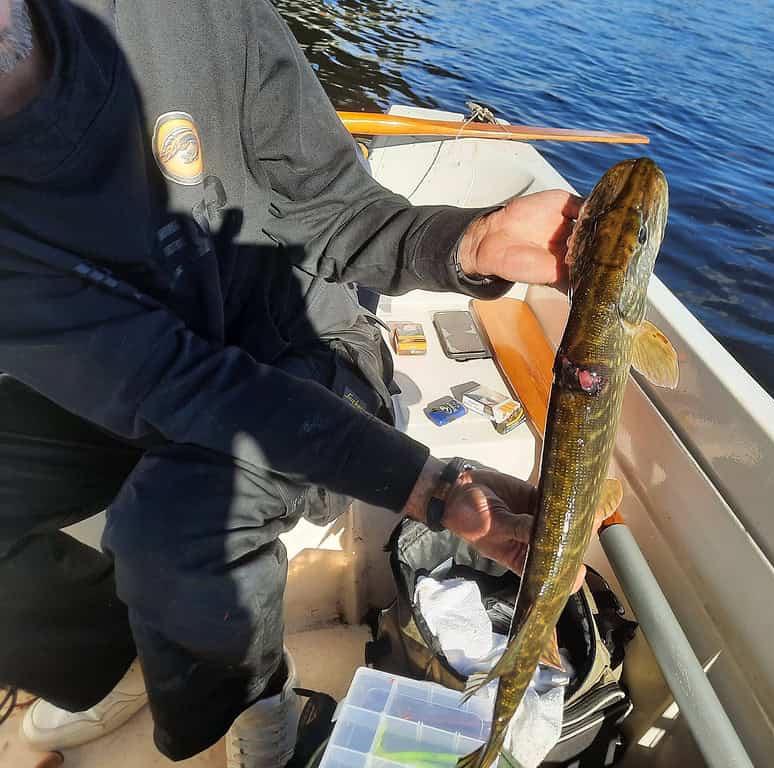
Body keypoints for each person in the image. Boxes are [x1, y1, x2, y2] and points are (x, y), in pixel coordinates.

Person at [0, 0, 584, 764]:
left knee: (175, 528)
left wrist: (467, 242)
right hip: (121, 375)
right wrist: (429, 488)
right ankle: (115, 661)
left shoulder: (195, 15)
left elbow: (337, 209)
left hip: (308, 356)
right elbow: (170, 380)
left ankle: (263, 704)